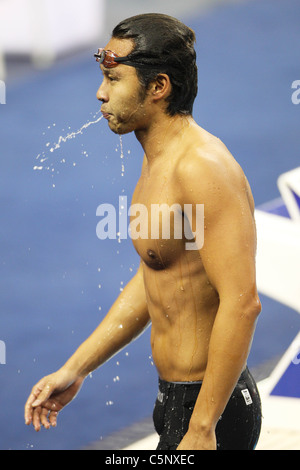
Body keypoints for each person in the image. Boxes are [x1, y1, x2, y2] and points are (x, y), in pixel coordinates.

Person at [25, 13, 262, 450]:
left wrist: (203, 427)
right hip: (175, 400)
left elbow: (243, 303)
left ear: (158, 87)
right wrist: (76, 367)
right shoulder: (158, 158)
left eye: (114, 80)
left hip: (211, 412)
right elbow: (155, 275)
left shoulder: (201, 168)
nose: (100, 93)